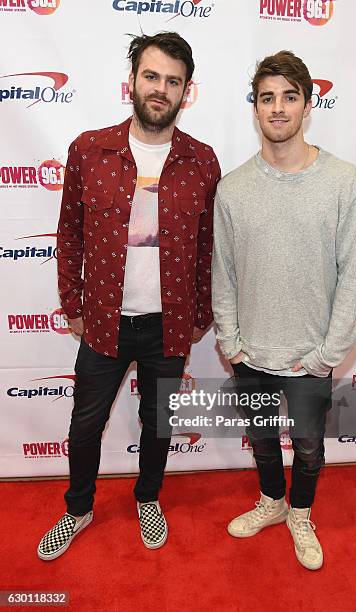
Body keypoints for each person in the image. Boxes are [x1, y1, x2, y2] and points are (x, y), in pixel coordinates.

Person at [37, 32, 220, 560]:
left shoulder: (202, 162)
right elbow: (69, 234)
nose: (160, 89)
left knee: (157, 425)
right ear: (133, 81)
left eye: (172, 81)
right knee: (85, 424)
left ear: (186, 91)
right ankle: (78, 508)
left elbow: (209, 248)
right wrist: (72, 306)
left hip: (169, 326)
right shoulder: (89, 149)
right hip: (102, 322)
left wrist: (199, 316)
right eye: (151, 76)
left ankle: (148, 497)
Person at [211, 50, 356, 570]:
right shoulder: (232, 189)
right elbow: (224, 271)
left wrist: (329, 354)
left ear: (307, 105)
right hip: (251, 352)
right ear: (254, 109)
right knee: (261, 441)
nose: (277, 108)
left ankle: (300, 511)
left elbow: (355, 275)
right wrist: (231, 342)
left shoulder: (342, 179)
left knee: (307, 449)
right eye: (267, 98)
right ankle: (272, 502)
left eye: (289, 97)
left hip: (310, 354)